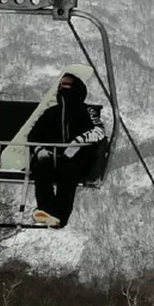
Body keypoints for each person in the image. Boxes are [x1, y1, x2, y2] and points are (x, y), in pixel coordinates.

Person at [27, 73, 106, 228]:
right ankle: (46, 209)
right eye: (62, 84)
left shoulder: (87, 111)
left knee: (67, 173)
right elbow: (33, 135)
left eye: (68, 84)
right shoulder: (51, 112)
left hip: (78, 159)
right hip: (52, 157)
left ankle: (60, 216)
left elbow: (99, 131)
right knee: (41, 169)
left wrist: (76, 144)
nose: (64, 87)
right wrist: (39, 151)